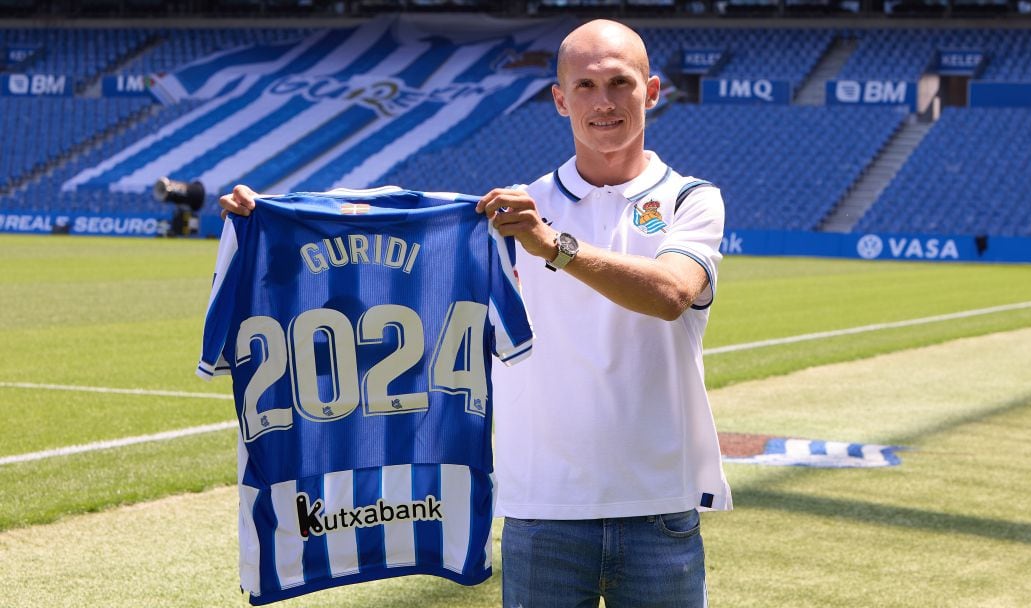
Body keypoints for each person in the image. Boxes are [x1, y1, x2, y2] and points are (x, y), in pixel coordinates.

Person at [220, 18, 731, 608]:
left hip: (658, 506)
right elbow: (395, 240)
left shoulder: (691, 198)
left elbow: (671, 294)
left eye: (620, 83)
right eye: (585, 87)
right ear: (560, 100)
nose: (605, 102)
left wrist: (553, 245)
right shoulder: (510, 215)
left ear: (653, 90)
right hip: (542, 509)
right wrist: (274, 222)